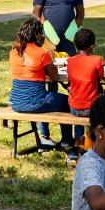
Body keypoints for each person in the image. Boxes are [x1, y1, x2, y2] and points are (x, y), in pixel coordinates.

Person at [8, 17, 74, 150]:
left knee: (49, 97)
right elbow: (54, 76)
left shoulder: (14, 51)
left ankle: (45, 138)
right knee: (68, 102)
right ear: (39, 35)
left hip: (16, 101)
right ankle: (66, 141)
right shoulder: (42, 53)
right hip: (34, 101)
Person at [66, 27, 105, 150]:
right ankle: (96, 140)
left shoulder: (70, 61)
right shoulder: (97, 60)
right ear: (92, 45)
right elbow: (102, 77)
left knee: (79, 99)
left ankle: (79, 140)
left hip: (74, 107)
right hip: (90, 108)